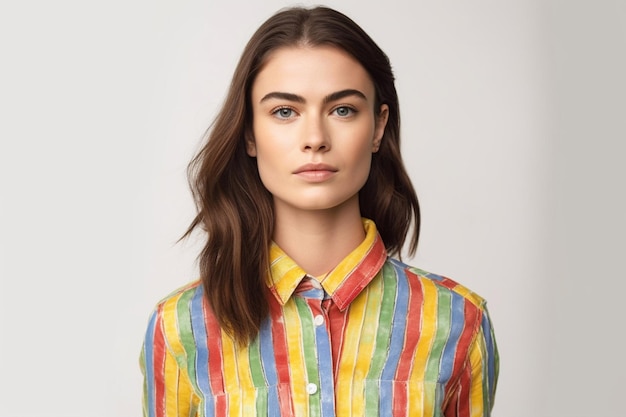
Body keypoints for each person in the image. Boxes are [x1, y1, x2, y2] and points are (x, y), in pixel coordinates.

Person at [140, 6, 499, 417]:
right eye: (284, 112)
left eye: (342, 109)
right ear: (249, 134)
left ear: (378, 127)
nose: (314, 138)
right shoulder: (179, 328)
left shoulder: (458, 321)